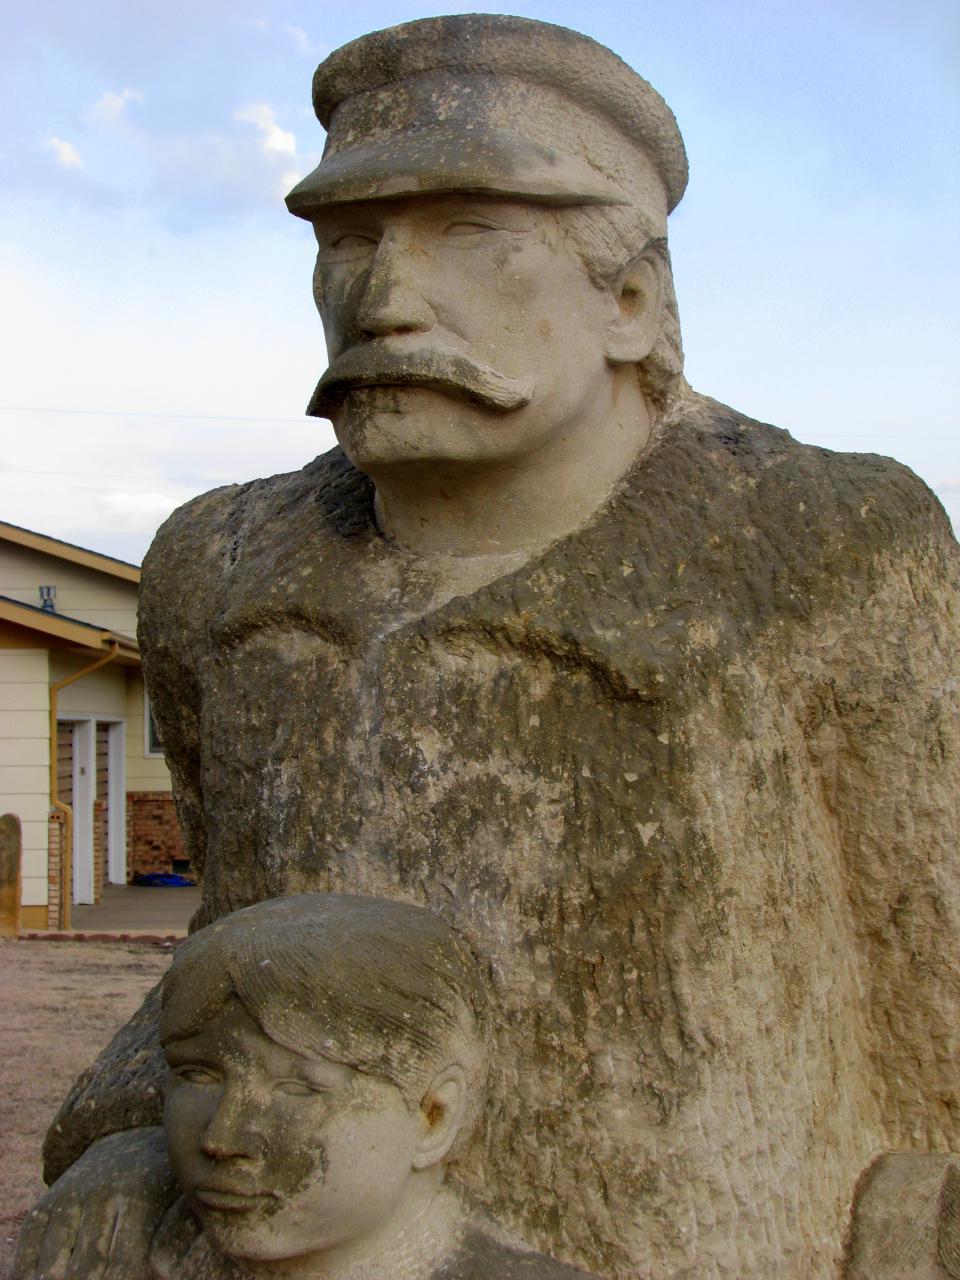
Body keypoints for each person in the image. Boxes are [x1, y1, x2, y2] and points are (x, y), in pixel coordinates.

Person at [20, 15, 960, 1279]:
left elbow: (929, 962)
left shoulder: (826, 538)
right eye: (348, 243)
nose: (386, 299)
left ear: (629, 299)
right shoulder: (221, 563)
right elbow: (233, 934)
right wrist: (122, 1143)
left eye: (472, 238)